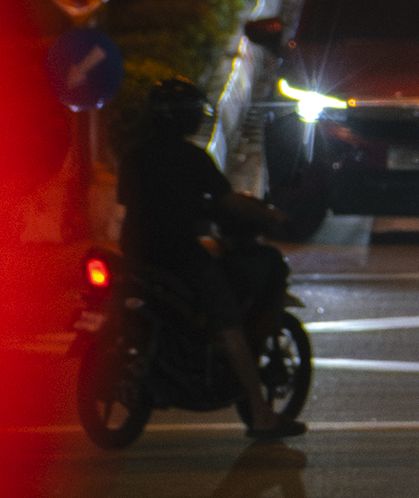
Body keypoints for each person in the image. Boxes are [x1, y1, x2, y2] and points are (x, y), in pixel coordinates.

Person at [118, 78, 306, 439]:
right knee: (229, 322)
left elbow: (132, 202)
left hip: (135, 252)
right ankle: (262, 414)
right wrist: (274, 216)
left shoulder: (135, 155)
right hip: (179, 255)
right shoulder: (190, 158)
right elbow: (228, 200)